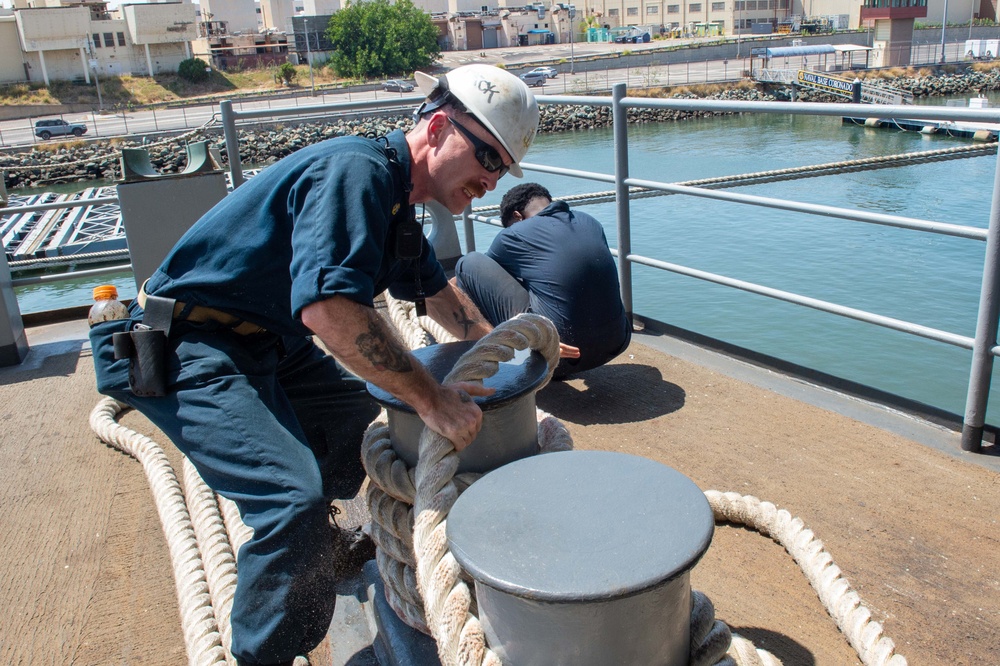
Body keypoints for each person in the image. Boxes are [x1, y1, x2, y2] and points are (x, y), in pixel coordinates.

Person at [89, 64, 539, 666]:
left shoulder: (399, 211)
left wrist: (508, 354)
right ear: (436, 127)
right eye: (486, 155)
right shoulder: (356, 173)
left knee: (352, 421)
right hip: (192, 344)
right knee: (289, 501)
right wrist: (433, 401)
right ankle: (265, 650)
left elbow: (440, 298)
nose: (490, 178)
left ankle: (315, 546)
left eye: (502, 168)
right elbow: (329, 311)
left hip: (267, 341)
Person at [454, 182, 631, 379]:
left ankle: (499, 355)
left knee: (467, 263)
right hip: (617, 343)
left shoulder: (514, 234)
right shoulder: (589, 221)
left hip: (554, 358)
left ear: (517, 217)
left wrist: (446, 289)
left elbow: (480, 279)